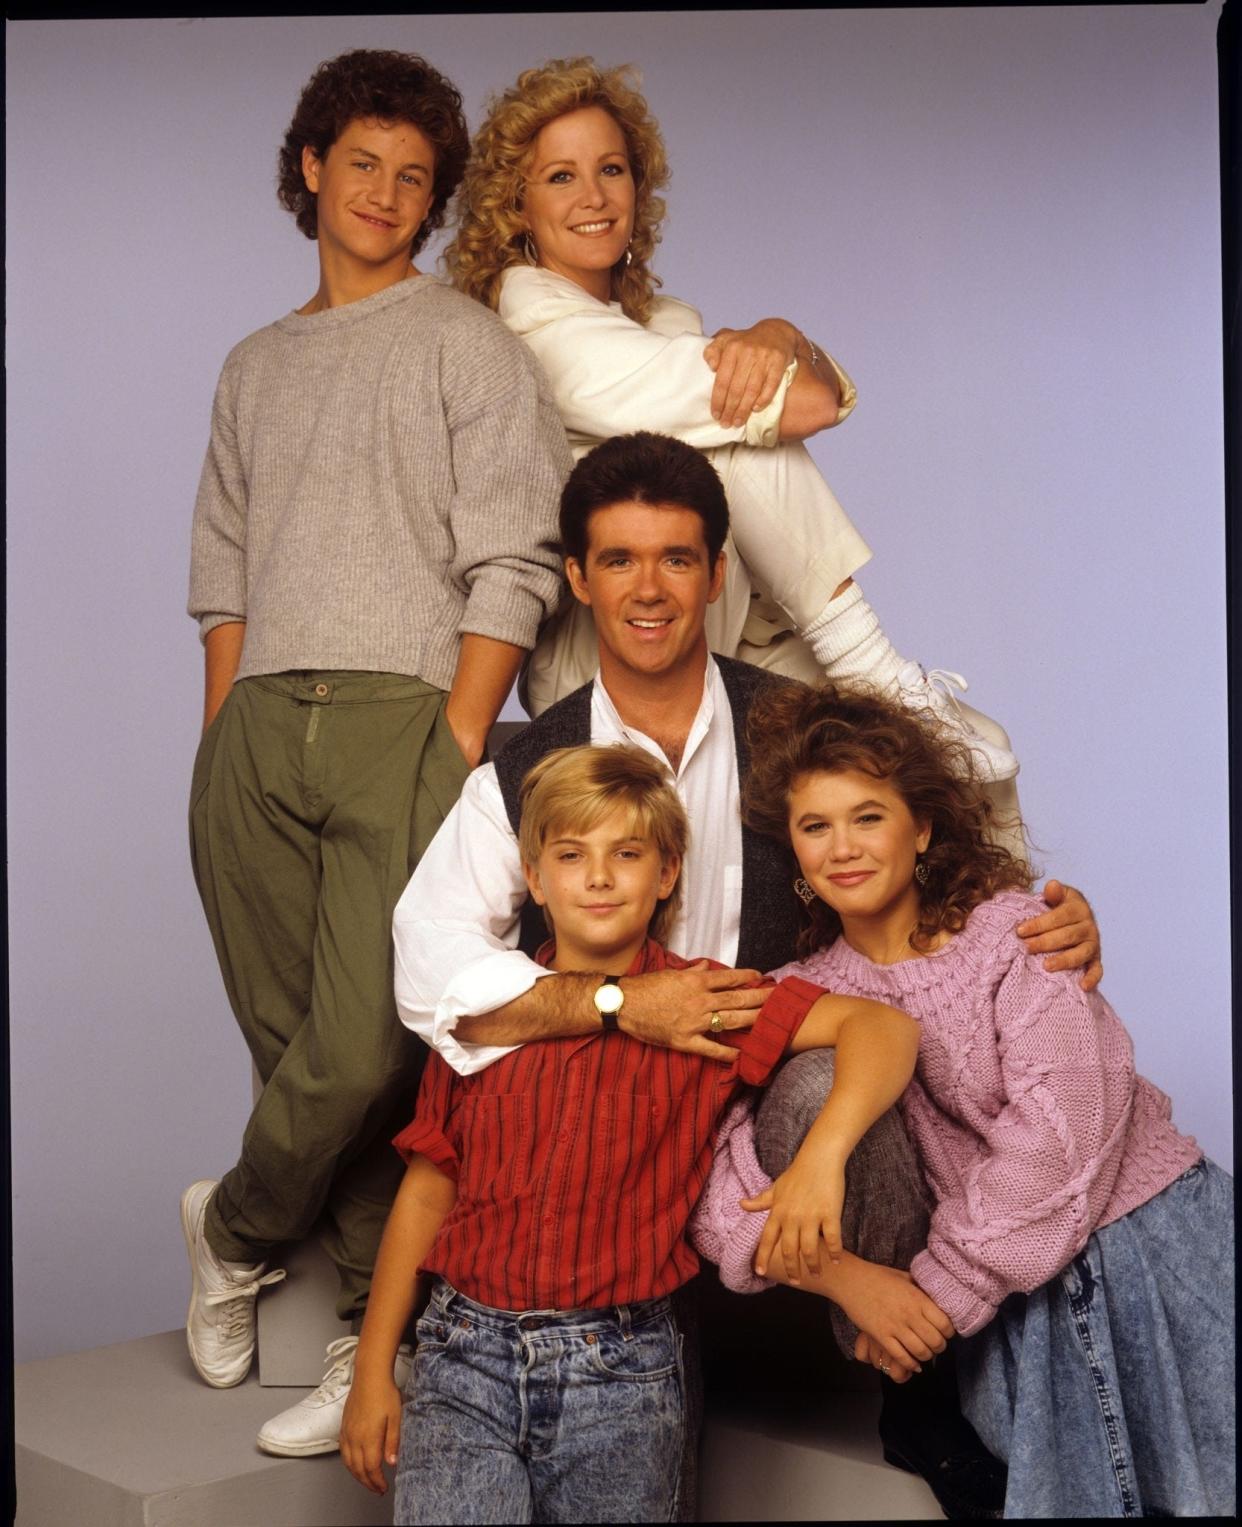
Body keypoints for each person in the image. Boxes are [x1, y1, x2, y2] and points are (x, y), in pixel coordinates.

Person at [392, 429, 1104, 1516]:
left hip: (776, 1075)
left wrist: (1051, 911)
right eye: (619, 560)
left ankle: (916, 1373)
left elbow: (930, 816)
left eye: (678, 558)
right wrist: (627, 1006)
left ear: (718, 574)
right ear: (577, 581)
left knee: (829, 1079)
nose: (650, 588)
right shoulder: (535, 762)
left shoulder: (788, 719)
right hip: (628, 1113)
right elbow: (427, 961)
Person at [182, 47, 570, 1457]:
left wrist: (457, 731)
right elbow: (223, 568)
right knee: (292, 1040)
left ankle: (233, 1224)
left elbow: (515, 559)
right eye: (363, 166)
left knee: (368, 1047)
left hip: (404, 718)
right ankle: (360, 1325)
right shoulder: (253, 364)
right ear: (309, 169)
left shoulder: (465, 345)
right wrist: (219, 734)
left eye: (415, 177)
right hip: (254, 733)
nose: (388, 195)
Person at [695, 678, 1233, 1518]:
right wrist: (853, 1283)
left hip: (1148, 1241)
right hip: (1013, 1297)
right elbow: (715, 1185)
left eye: (868, 815)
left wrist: (936, 1298)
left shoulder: (1013, 934)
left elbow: (1064, 1130)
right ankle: (918, 1411)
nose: (843, 846)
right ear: (792, 851)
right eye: (815, 825)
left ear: (924, 827)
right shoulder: (795, 993)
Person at [343, 743, 921, 1523]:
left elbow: (883, 1029)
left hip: (624, 1373)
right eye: (572, 854)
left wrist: (821, 1158)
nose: (601, 875)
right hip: (463, 1360)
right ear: (536, 878)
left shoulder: (705, 999)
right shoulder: (488, 1010)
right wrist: (373, 1369)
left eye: (627, 852)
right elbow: (425, 1191)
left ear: (667, 872)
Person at [444, 55, 1021, 809]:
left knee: (973, 760)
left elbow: (806, 389)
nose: (593, 196)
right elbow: (803, 408)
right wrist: (781, 351)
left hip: (733, 619)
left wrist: (781, 334)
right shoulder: (532, 321)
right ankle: (871, 661)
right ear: (515, 207)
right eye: (560, 177)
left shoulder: (662, 323)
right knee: (721, 441)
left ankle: (1016, 922)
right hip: (610, 644)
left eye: (611, 170)